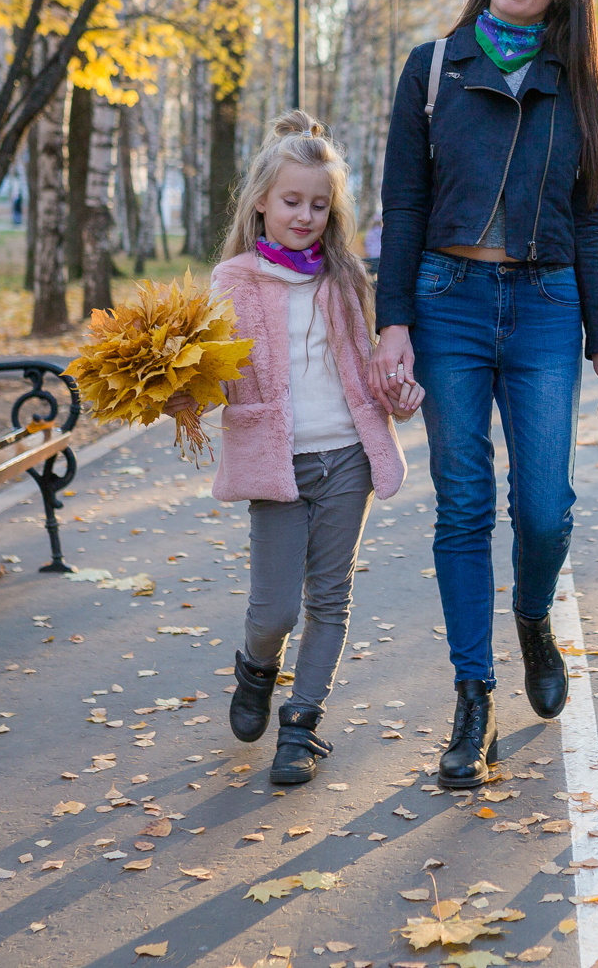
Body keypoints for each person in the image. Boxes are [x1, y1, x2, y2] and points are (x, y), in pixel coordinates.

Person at [374, 0, 598, 789]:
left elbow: (593, 222)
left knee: (546, 511)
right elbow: (403, 207)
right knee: (462, 508)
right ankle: (473, 695)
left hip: (544, 307)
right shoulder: (433, 70)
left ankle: (533, 616)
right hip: (446, 302)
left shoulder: (580, 89)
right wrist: (394, 322)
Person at [210, 111, 423, 786]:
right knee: (275, 608)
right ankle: (256, 666)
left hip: (347, 459)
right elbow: (209, 368)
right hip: (278, 462)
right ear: (263, 201)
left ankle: (301, 725)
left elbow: (368, 371)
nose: (304, 215)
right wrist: (168, 384)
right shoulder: (235, 280)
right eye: (292, 201)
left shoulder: (345, 276)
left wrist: (399, 394)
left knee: (329, 598)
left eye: (318, 204)